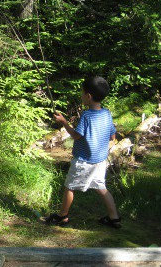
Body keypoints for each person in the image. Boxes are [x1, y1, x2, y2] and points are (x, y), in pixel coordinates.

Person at [45, 76, 121, 228]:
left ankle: (63, 216)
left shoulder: (87, 115)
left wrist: (64, 122)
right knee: (101, 187)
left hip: (84, 161)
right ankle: (114, 218)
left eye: (82, 93)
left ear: (88, 96)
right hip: (100, 160)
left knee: (70, 187)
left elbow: (75, 136)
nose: (81, 96)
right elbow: (113, 135)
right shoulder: (106, 113)